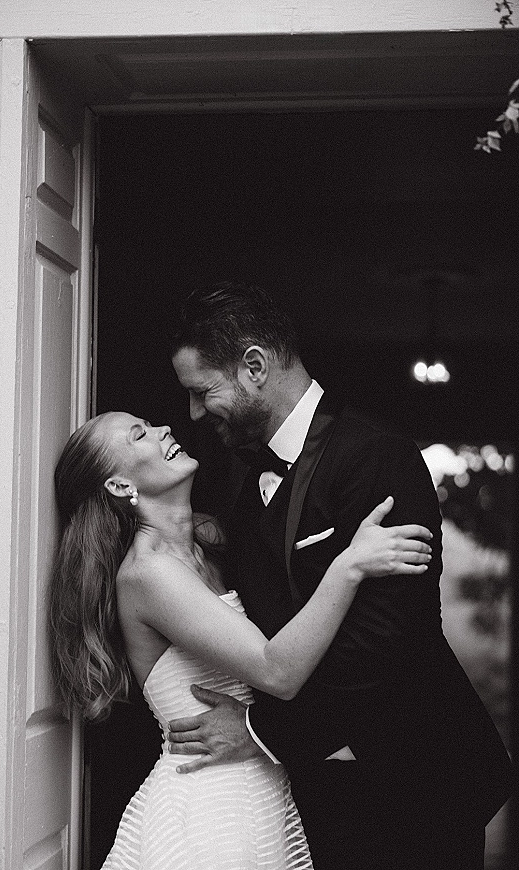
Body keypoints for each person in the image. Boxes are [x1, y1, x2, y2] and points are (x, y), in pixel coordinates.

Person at [169, 282, 514, 870]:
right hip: (317, 790)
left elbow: (389, 636)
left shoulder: (377, 457)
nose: (194, 413)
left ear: (254, 367)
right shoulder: (243, 473)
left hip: (418, 783)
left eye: (203, 391)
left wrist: (257, 730)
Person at [50, 411, 435, 870]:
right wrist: (350, 566)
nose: (163, 430)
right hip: (210, 812)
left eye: (150, 424)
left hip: (257, 792)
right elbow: (277, 671)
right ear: (119, 486)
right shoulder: (149, 574)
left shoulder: (208, 543)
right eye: (140, 435)